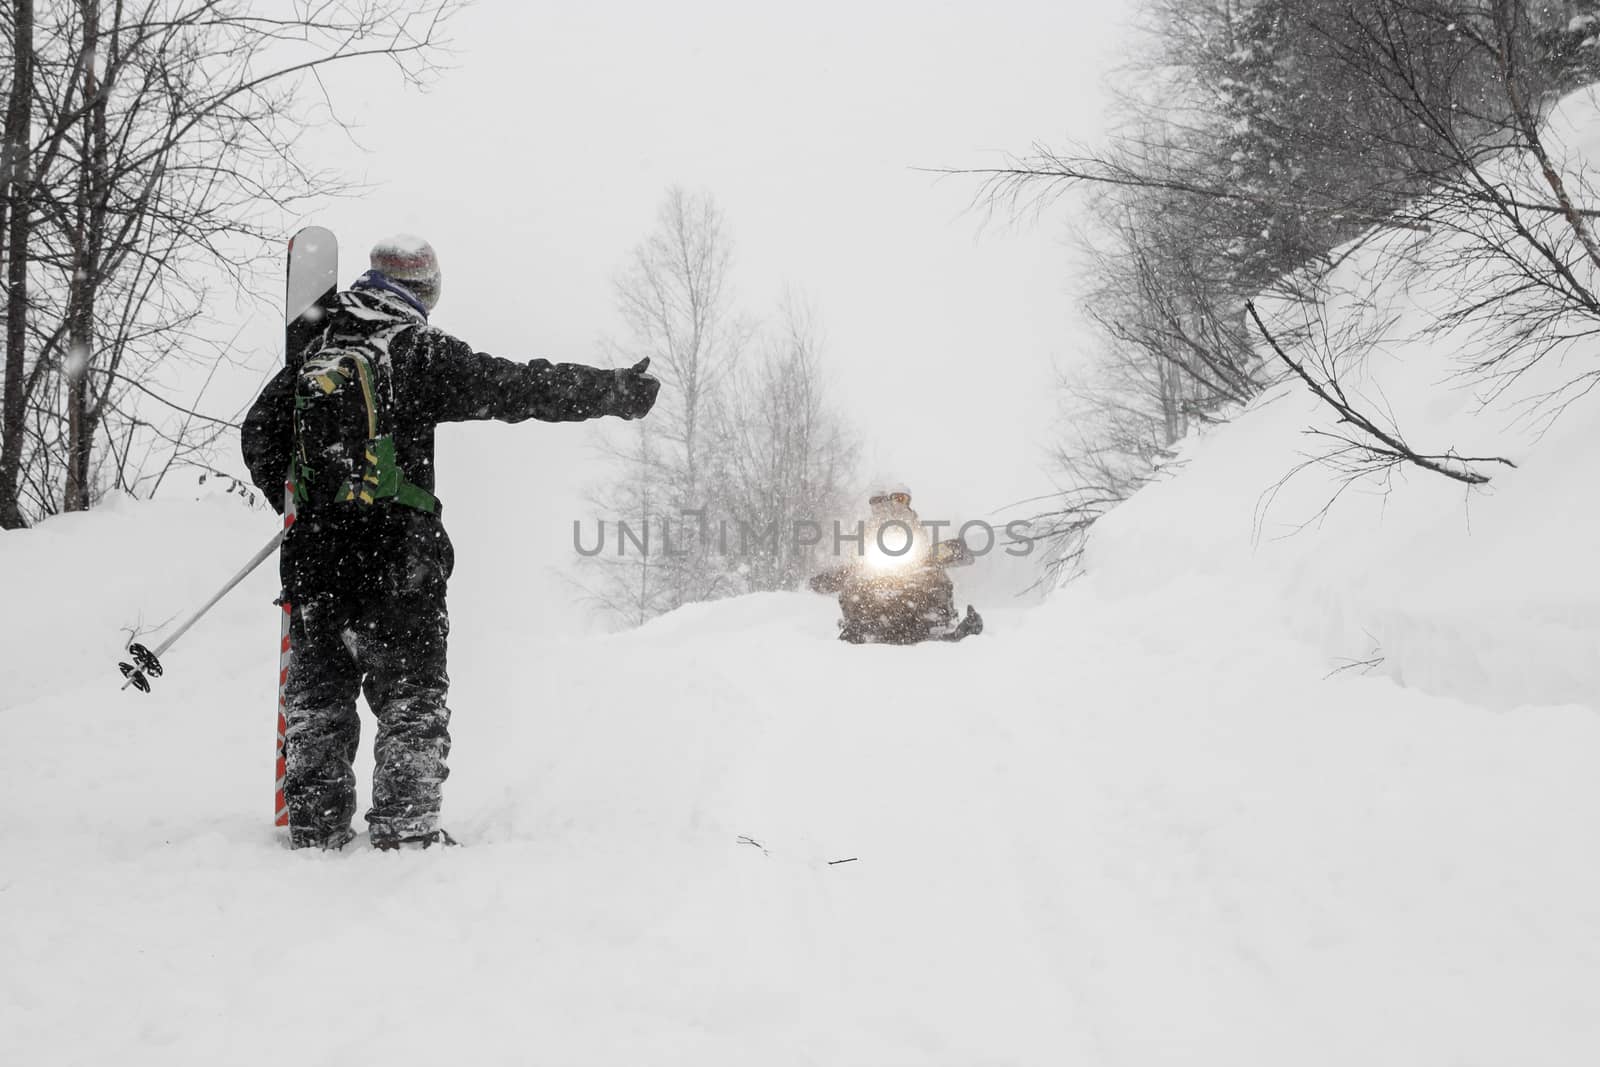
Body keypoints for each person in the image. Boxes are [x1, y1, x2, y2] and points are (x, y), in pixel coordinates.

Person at [241, 235, 659, 850]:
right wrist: (612, 391)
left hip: (317, 562)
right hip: (398, 564)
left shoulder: (317, 349)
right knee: (411, 701)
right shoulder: (420, 352)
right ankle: (406, 832)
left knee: (318, 702)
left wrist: (304, 500)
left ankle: (313, 827)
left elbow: (258, 434)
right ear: (424, 290)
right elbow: (518, 387)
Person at [809, 484, 983, 644]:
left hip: (911, 565)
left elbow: (922, 544)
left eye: (902, 498)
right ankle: (855, 620)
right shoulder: (872, 525)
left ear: (908, 500)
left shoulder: (914, 523)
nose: (897, 502)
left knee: (936, 575)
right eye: (894, 499)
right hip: (878, 565)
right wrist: (859, 556)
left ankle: (945, 620)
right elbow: (859, 548)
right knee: (854, 581)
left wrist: (925, 555)